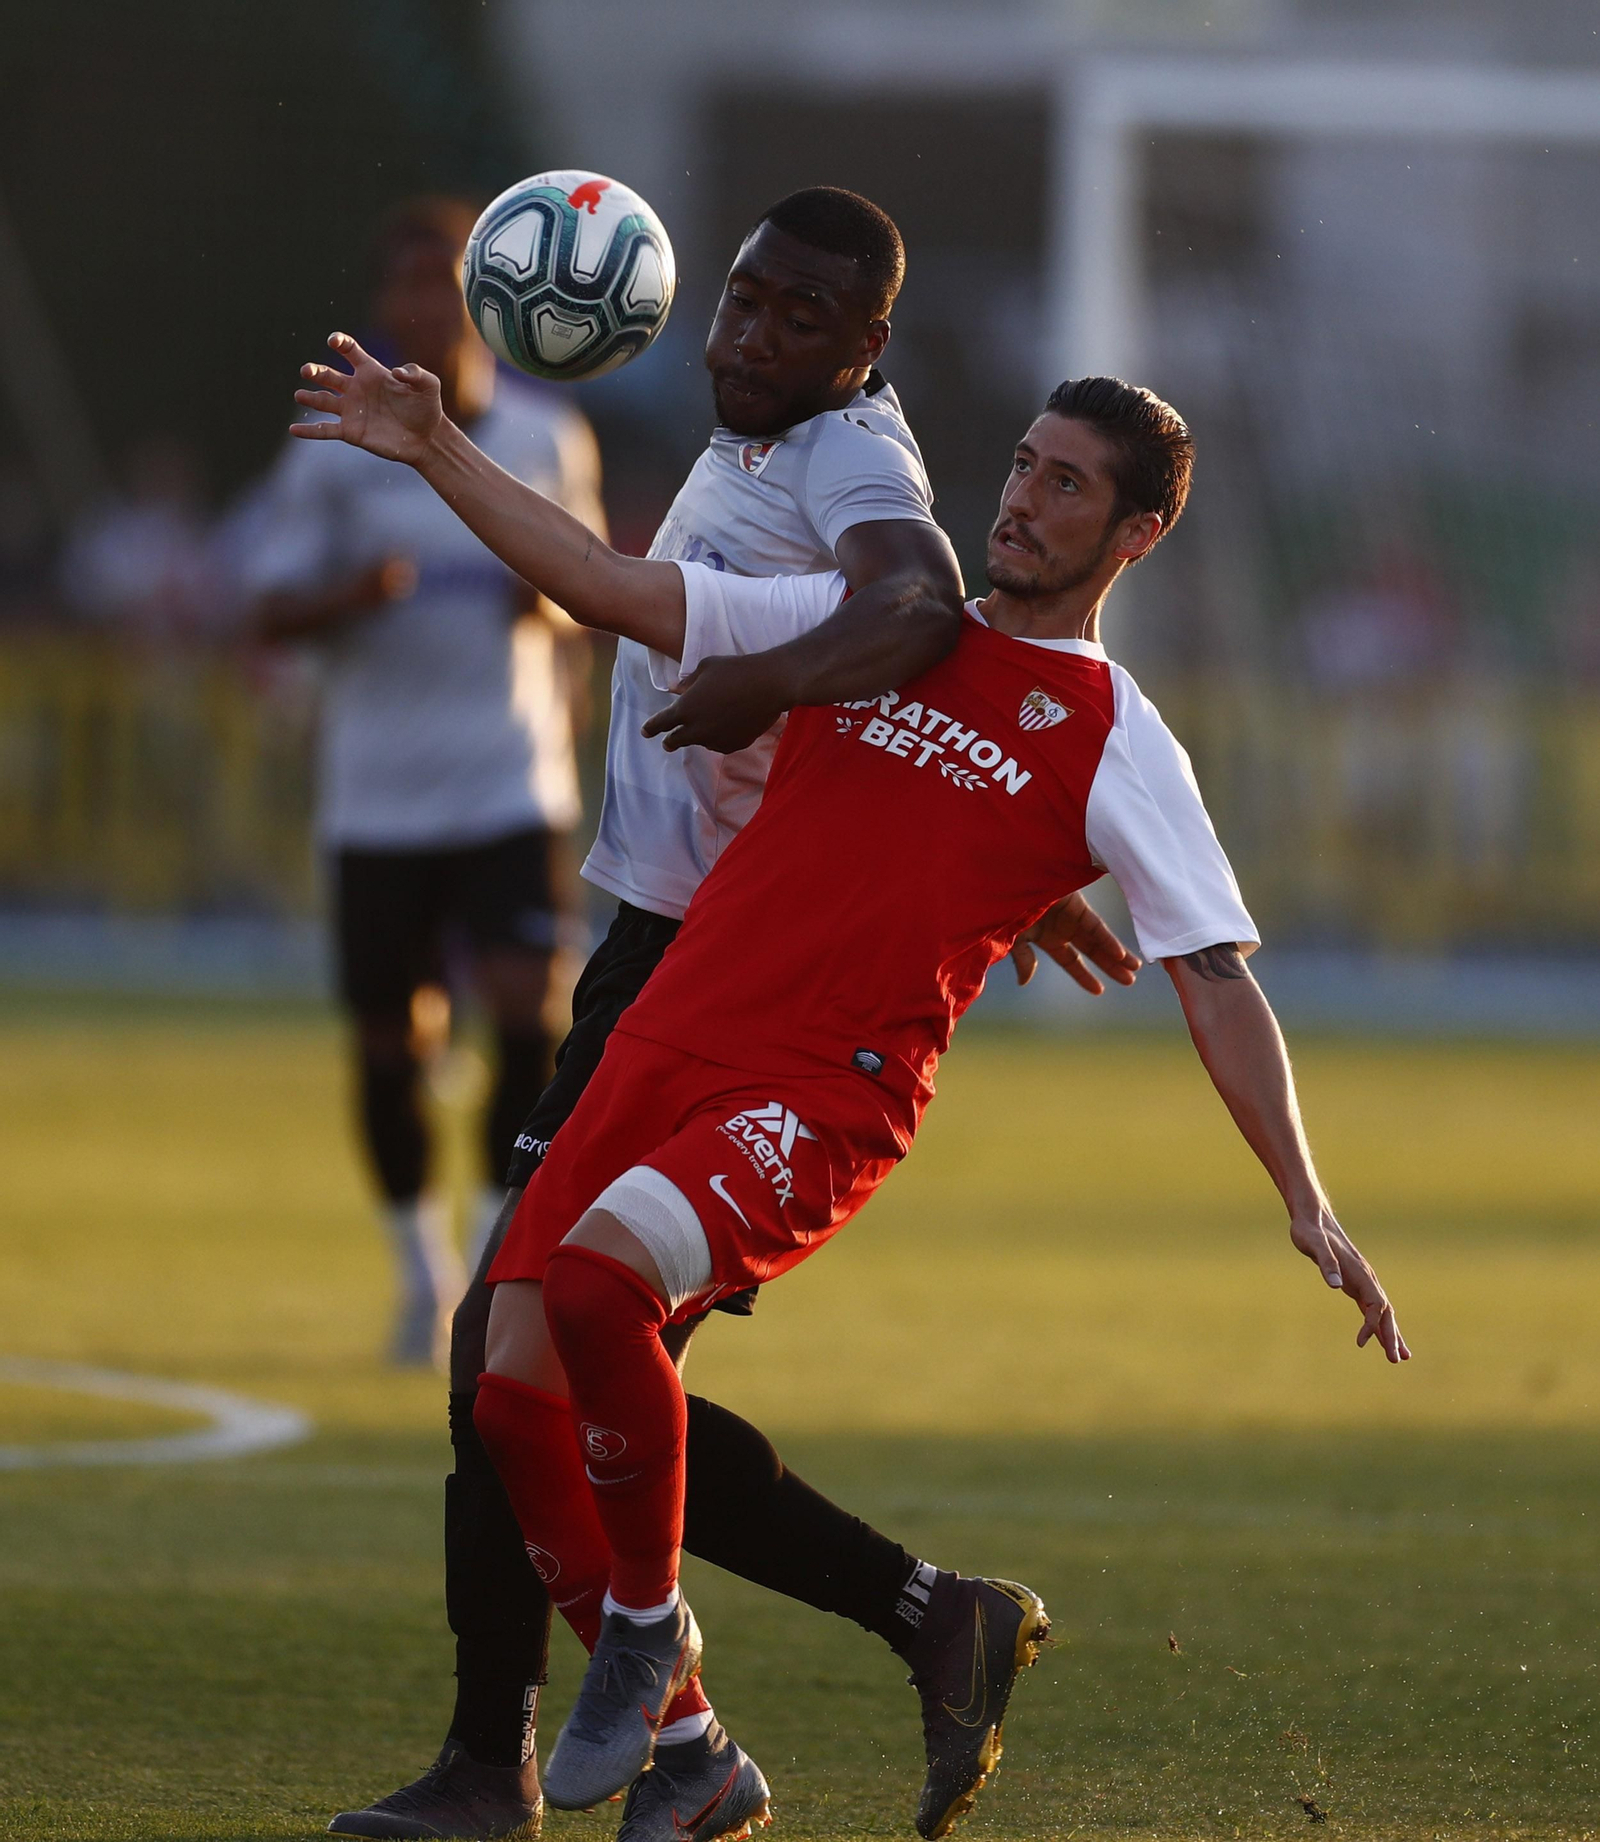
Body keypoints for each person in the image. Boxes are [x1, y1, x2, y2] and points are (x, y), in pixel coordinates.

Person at [291, 345, 1409, 1830]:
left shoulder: (1114, 735)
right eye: (1023, 465)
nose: (1022, 501)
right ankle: (695, 1757)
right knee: (508, 1394)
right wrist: (437, 447)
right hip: (668, 1030)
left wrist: (1305, 1198)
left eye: (1068, 487)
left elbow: (1214, 974)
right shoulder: (881, 628)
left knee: (599, 1290)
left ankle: (642, 1632)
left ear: (1136, 534)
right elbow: (608, 585)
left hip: (824, 1087)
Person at [314, 189, 1137, 1842]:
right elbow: (909, 659)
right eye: (743, 301)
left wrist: (774, 687)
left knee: (518, 1365)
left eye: (796, 318)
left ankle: (517, 1758)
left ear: (864, 346)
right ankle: (865, 1651)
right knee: (561, 1371)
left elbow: (915, 602)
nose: (752, 335)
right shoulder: (769, 439)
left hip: (720, 971)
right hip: (666, 937)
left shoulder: (849, 458)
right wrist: (989, 838)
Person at [240, 198, 603, 1368]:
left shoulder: (546, 438)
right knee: (390, 1046)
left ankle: (489, 1269)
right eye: (408, 287)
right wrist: (350, 598)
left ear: (485, 304)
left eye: (448, 286)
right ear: (383, 303)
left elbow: (595, 595)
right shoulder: (336, 440)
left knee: (530, 1017)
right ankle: (417, 1271)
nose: (427, 308)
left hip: (510, 782)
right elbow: (267, 612)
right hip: (379, 796)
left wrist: (547, 602)